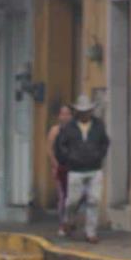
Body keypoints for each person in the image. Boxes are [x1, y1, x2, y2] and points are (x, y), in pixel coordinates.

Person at [54, 94, 110, 243]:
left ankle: (90, 232)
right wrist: (68, 158)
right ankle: (69, 220)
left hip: (94, 168)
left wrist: (99, 155)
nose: (85, 113)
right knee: (72, 200)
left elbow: (105, 143)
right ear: (77, 111)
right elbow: (60, 145)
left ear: (91, 111)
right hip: (75, 169)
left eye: (87, 111)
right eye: (82, 111)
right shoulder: (69, 127)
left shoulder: (98, 125)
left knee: (94, 200)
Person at [46, 104, 74, 236]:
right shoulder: (55, 130)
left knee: (74, 197)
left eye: (68, 113)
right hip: (60, 168)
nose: (65, 116)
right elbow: (50, 149)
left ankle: (70, 221)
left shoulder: (76, 130)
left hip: (74, 168)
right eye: (62, 114)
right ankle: (63, 223)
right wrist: (55, 164)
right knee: (63, 197)